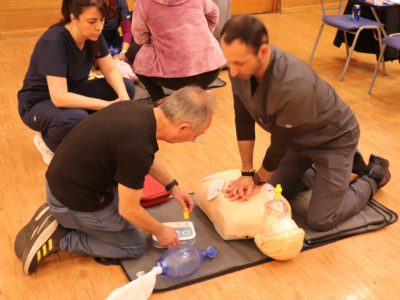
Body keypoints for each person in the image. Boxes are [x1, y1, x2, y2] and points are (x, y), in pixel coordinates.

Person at [15, 86, 215, 275]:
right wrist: (161, 231)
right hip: (73, 201)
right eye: (197, 135)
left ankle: (58, 217)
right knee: (133, 245)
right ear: (182, 127)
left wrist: (172, 187)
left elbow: (147, 157)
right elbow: (128, 209)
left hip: (64, 185)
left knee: (138, 218)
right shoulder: (137, 147)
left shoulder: (141, 110)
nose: (193, 140)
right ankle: (62, 237)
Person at [220, 15, 391, 232]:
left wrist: (256, 179)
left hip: (334, 139)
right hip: (298, 141)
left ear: (263, 52)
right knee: (272, 191)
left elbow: (279, 146)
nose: (232, 71)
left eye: (238, 63)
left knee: (322, 219)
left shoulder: (293, 83)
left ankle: (374, 175)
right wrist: (247, 173)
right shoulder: (241, 67)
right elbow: (243, 119)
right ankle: (329, 168)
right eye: (228, 60)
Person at [18, 0, 135, 165]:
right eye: (92, 21)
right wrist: (106, 105)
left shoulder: (94, 35)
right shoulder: (54, 42)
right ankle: (47, 142)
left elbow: (109, 70)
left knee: (126, 87)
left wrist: (123, 98)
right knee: (75, 118)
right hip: (38, 103)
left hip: (73, 91)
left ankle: (93, 136)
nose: (99, 27)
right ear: (74, 18)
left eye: (102, 20)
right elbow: (59, 97)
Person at [125, 0, 226, 104]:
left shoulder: (143, 3)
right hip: (212, 72)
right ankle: (202, 89)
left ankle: (158, 98)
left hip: (175, 80)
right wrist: (203, 36)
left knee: (133, 51)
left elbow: (140, 38)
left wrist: (157, 41)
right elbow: (214, 13)